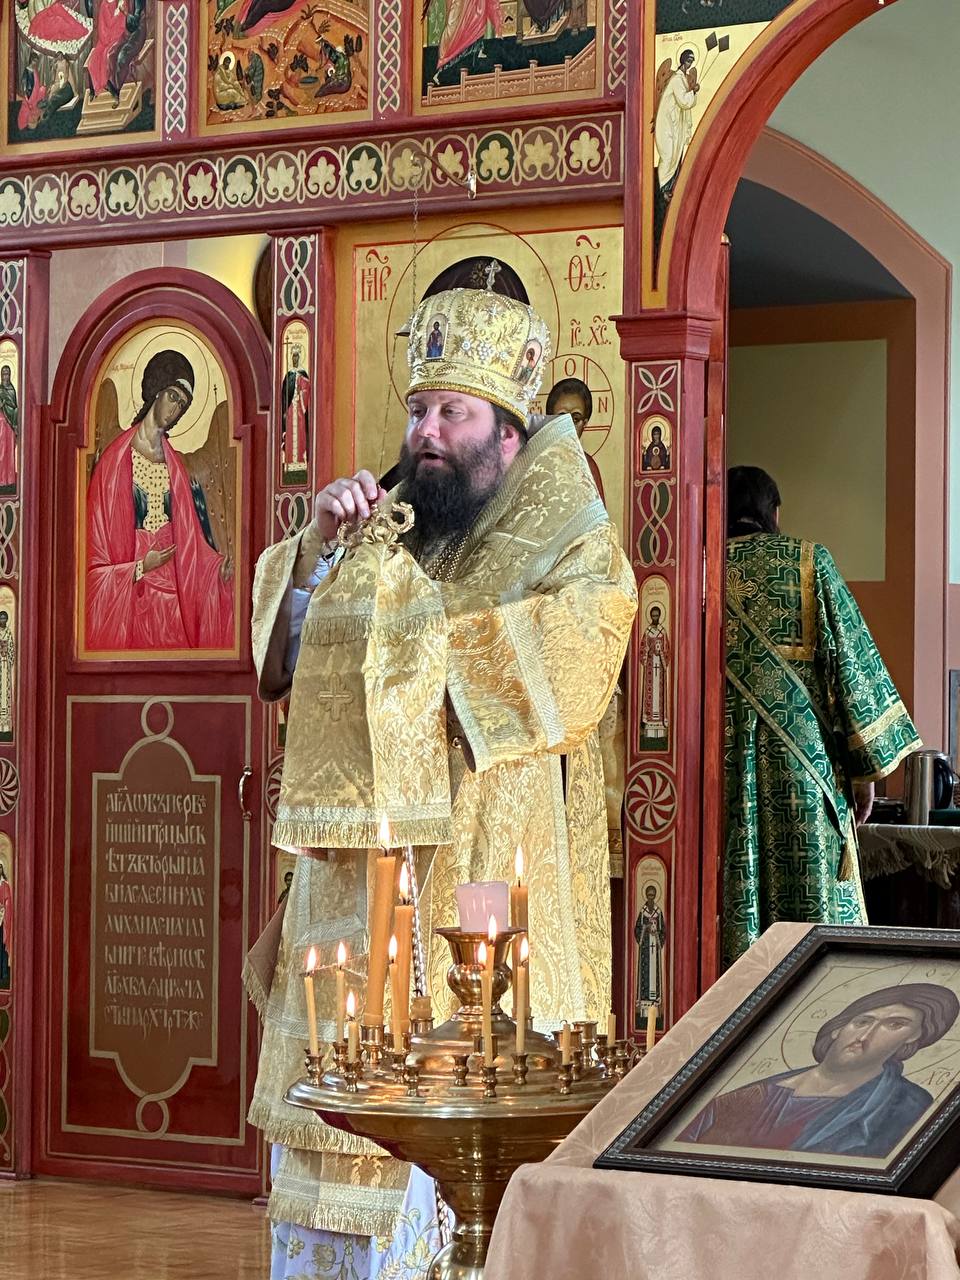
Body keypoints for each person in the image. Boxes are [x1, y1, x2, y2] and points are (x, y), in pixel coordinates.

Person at [248, 287, 637, 1276]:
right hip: (358, 899)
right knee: (338, 1120)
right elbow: (285, 656)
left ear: (507, 430)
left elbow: (586, 646)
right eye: (418, 408)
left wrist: (411, 650)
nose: (424, 431)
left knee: (454, 1157)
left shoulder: (567, 534)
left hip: (478, 885)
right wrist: (324, 554)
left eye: (451, 412)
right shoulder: (389, 527)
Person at [724, 466, 921, 966]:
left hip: (721, 762)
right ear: (775, 514)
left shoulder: (696, 570)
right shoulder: (809, 561)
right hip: (803, 770)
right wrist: (864, 773)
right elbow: (851, 668)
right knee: (811, 899)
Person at [680, 983, 959, 1158]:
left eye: (894, 1025)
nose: (866, 1035)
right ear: (838, 1028)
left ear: (912, 1038)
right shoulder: (748, 1096)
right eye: (862, 1021)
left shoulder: (908, 1106)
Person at [85, 350, 234, 651]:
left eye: (183, 404)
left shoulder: (175, 466)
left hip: (174, 599)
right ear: (157, 390)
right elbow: (94, 560)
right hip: (132, 597)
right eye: (173, 396)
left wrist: (217, 569)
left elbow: (191, 544)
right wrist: (140, 567)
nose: (176, 408)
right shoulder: (114, 462)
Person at [545, 377, 604, 501]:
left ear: (585, 423)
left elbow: (598, 511)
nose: (569, 425)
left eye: (576, 419)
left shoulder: (588, 466)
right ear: (550, 420)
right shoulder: (537, 462)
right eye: (562, 417)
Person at [638, 604, 670, 748]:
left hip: (660, 669)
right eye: (653, 615)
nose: (655, 618)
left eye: (657, 615)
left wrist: (661, 652)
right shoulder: (647, 632)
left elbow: (667, 650)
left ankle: (660, 730)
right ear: (651, 616)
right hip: (651, 668)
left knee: (659, 696)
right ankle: (649, 729)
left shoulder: (663, 632)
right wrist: (648, 652)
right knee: (651, 696)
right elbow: (642, 649)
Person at [634, 883, 665, 1022]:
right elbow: (637, 929)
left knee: (654, 977)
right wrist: (645, 928)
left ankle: (655, 1009)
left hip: (654, 950)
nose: (651, 898)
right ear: (646, 896)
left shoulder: (658, 912)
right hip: (646, 951)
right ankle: (644, 1010)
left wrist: (657, 933)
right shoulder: (643, 912)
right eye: (649, 895)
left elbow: (663, 930)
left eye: (653, 895)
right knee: (645, 976)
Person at [280, 345, 310, 473]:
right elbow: (284, 395)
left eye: (297, 356)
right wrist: (285, 410)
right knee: (290, 435)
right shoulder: (288, 375)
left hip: (300, 412)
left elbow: (307, 390)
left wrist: (301, 396)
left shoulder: (303, 374)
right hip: (290, 410)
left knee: (300, 435)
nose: (295, 359)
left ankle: (301, 461)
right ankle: (289, 461)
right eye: (293, 356)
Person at [0, 365, 18, 492]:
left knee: (9, 453)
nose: (5, 376)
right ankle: (1, 479)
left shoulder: (12, 390)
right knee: (1, 451)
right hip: (1, 423)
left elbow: (15, 407)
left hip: (10, 425)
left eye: (7, 373)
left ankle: (9, 480)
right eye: (3, 373)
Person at [0, 610, 15, 740]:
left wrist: (6, 652)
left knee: (5, 694)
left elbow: (11, 649)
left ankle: (5, 728)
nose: (3, 620)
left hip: (5, 668)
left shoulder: (9, 633)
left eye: (5, 618)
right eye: (1, 618)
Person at [0, 860, 10, 989]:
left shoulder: (5, 885)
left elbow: (8, 903)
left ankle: (3, 974)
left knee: (2, 947)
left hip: (2, 922)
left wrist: (4, 908)